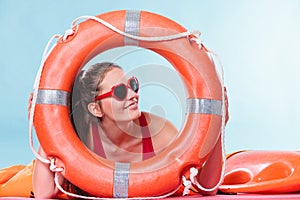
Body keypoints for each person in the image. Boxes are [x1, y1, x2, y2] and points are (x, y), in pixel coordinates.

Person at [31, 62, 229, 198]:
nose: (133, 94)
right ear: (96, 109)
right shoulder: (80, 139)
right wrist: (46, 125)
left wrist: (219, 126)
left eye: (132, 85)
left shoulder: (159, 134)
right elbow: (43, 193)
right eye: (119, 91)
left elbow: (207, 187)